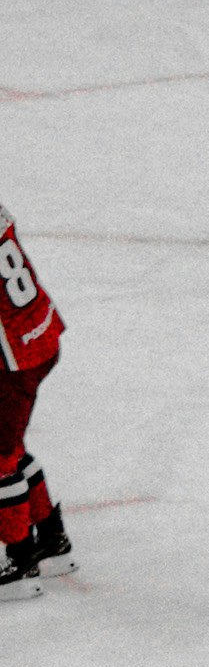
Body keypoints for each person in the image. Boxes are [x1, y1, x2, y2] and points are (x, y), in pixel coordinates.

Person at [0, 203, 76, 602]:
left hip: (15, 359)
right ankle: (51, 539)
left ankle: (18, 565)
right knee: (8, 446)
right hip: (40, 337)